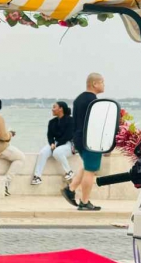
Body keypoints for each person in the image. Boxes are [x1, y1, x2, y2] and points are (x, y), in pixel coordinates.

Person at [65, 72, 106, 211]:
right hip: (90, 140)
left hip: (78, 138)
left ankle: (70, 189)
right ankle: (84, 202)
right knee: (90, 170)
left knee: (88, 165)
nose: (103, 85)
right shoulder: (94, 101)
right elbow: (97, 124)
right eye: (102, 82)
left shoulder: (79, 99)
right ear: (95, 83)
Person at [31, 100, 74, 185]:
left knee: (57, 152)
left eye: (54, 107)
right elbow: (50, 135)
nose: (52, 109)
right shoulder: (52, 122)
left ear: (61, 109)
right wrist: (52, 143)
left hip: (69, 144)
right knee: (43, 153)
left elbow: (68, 136)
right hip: (56, 143)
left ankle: (69, 172)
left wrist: (56, 146)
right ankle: (37, 177)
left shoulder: (71, 120)